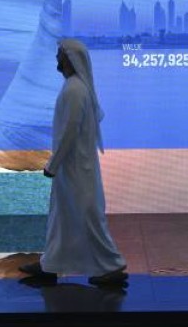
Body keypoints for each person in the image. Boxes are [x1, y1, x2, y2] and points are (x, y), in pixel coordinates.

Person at [20, 39, 128, 286]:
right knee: (63, 217)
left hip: (75, 167)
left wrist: (53, 164)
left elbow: (69, 132)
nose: (57, 58)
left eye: (60, 54)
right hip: (74, 167)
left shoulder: (74, 90)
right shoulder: (74, 87)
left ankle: (111, 265)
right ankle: (51, 264)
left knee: (87, 217)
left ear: (69, 59)